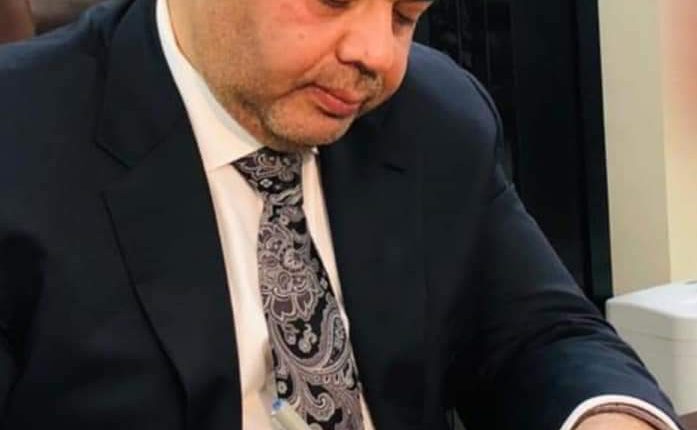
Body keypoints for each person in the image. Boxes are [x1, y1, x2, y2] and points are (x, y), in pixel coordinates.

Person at [0, 0, 683, 429]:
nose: (376, 55)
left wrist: (607, 417)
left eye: (404, 16)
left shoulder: (433, 116)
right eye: (332, 1)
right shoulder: (20, 141)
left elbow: (538, 336)